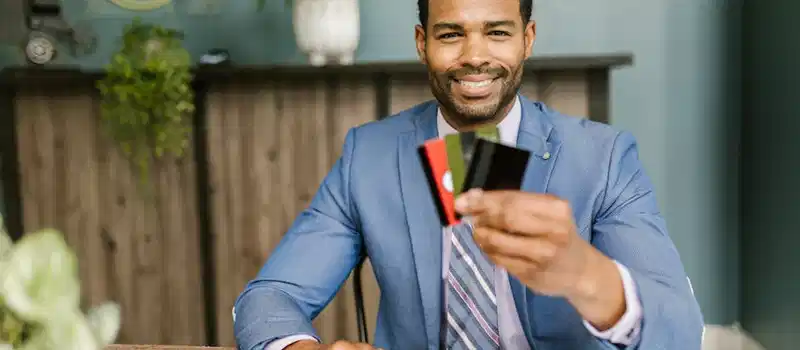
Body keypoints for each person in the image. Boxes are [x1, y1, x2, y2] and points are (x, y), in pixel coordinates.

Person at [233, 0, 705, 348]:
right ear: (423, 43)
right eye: (450, 34)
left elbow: (682, 329)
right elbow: (270, 297)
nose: (474, 56)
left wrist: (588, 276)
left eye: (497, 33)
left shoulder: (604, 157)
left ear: (528, 38)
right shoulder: (369, 155)